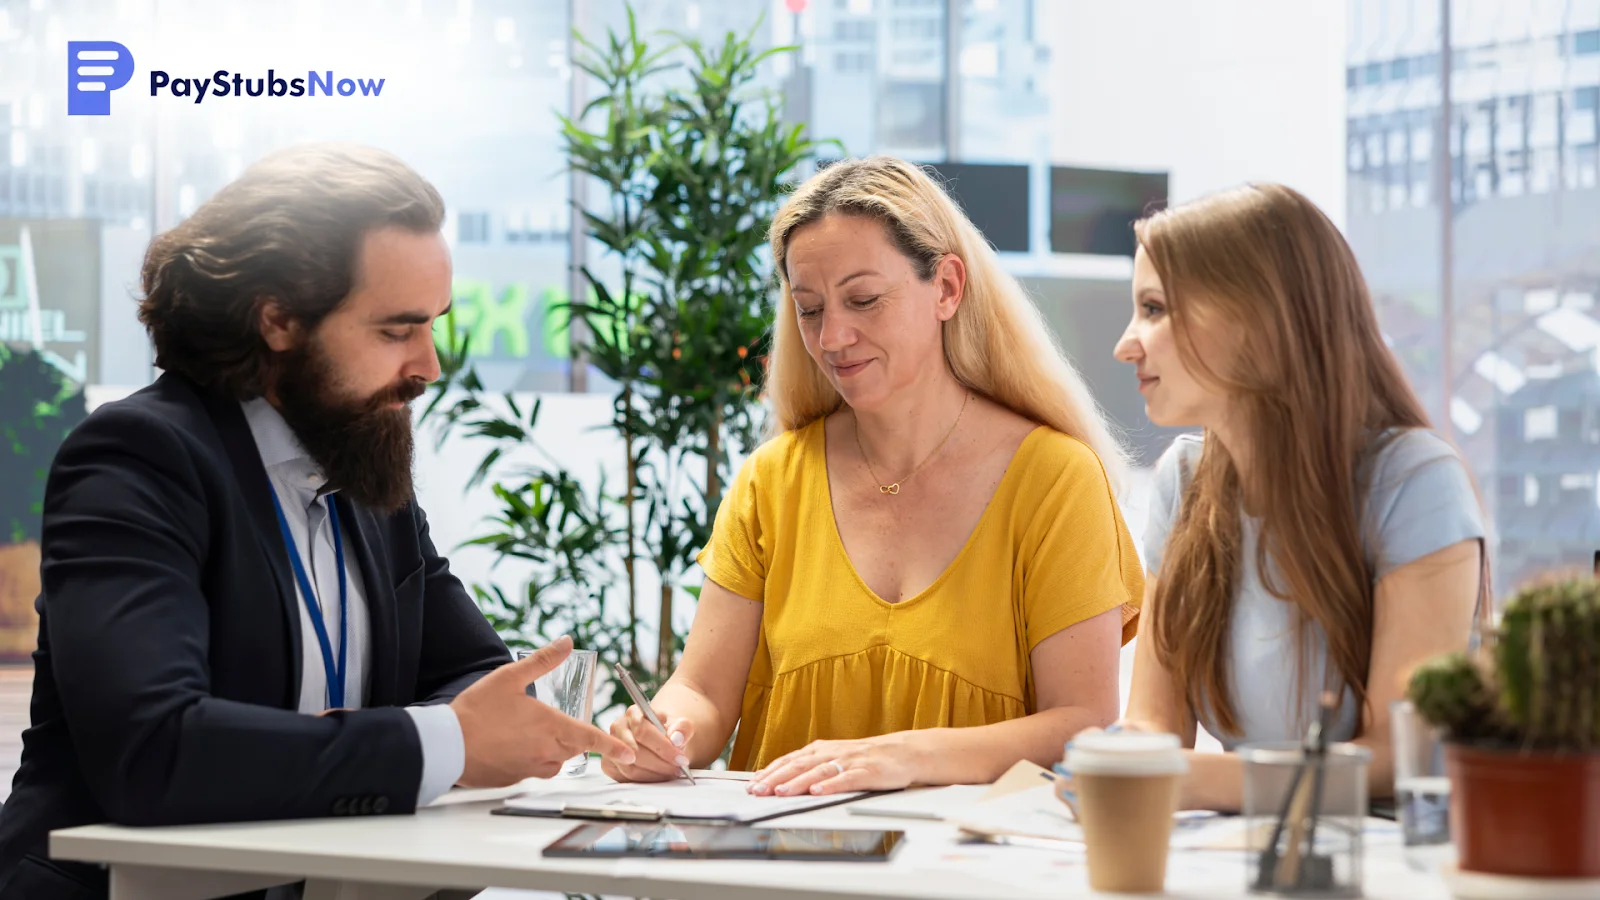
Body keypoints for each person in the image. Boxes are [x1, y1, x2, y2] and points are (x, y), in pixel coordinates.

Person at [0, 144, 633, 899]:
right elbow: (156, 753)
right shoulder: (138, 458)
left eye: (433, 325)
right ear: (278, 321)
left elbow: (474, 679)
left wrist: (443, 733)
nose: (430, 365)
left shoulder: (363, 465)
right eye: (397, 331)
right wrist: (442, 743)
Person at [603, 155, 1144, 796]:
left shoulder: (1054, 481)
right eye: (809, 310)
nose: (833, 337)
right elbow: (702, 691)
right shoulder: (770, 483)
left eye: (863, 300)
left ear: (946, 287)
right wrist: (666, 731)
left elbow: (1082, 724)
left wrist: (910, 757)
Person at [1111, 183, 1486, 811]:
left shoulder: (1415, 481)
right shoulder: (1181, 481)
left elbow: (1394, 760)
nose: (1127, 343)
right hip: (1243, 855)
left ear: (1258, 320)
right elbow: (1152, 727)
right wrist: (1113, 765)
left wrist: (1193, 781)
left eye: (1154, 309)